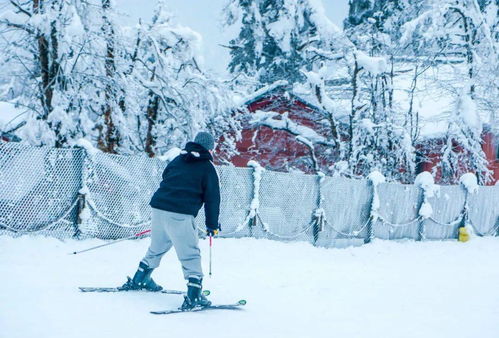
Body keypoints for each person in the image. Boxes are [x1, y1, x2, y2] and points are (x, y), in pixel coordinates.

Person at [120, 131, 221, 310]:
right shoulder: (207, 167)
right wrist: (212, 225)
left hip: (159, 209)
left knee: (157, 246)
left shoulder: (178, 159)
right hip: (180, 214)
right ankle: (194, 295)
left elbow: (166, 177)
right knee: (190, 254)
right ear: (209, 148)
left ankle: (141, 278)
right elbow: (212, 198)